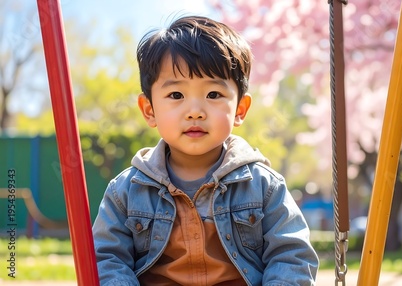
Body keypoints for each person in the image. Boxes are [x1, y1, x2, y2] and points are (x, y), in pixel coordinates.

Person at [92, 15, 319, 285]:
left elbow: (292, 255)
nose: (195, 112)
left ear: (240, 110)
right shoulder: (127, 192)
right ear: (149, 110)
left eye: (213, 95)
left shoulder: (263, 186)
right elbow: (106, 259)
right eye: (176, 95)